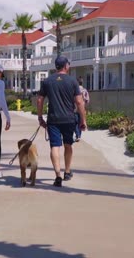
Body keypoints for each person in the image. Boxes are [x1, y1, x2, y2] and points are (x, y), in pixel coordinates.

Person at [37, 55, 87, 187]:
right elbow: (79, 101)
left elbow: (40, 100)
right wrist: (83, 120)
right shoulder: (72, 81)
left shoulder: (47, 81)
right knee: (68, 145)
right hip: (69, 119)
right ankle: (67, 171)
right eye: (68, 64)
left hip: (53, 119)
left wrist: (40, 117)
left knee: (55, 146)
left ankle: (57, 176)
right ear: (66, 66)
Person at [74, 76, 90, 142]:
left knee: (74, 123)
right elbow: (87, 100)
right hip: (82, 109)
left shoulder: (74, 90)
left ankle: (77, 135)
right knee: (81, 123)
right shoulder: (85, 90)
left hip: (74, 109)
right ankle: (79, 135)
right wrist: (84, 104)